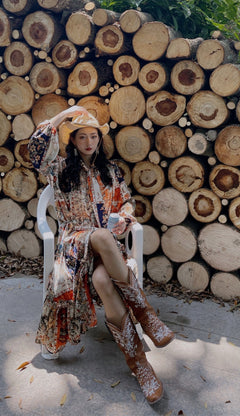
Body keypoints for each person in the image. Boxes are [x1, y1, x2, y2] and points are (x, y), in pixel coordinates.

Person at [28, 106, 175, 404]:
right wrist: (65, 114)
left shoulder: (110, 171)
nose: (88, 142)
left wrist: (125, 218)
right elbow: (36, 150)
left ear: (99, 139)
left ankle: (141, 367)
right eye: (82, 137)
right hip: (74, 243)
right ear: (73, 140)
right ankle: (146, 317)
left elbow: (127, 203)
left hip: (105, 251)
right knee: (102, 235)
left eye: (93, 136)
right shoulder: (58, 168)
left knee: (104, 282)